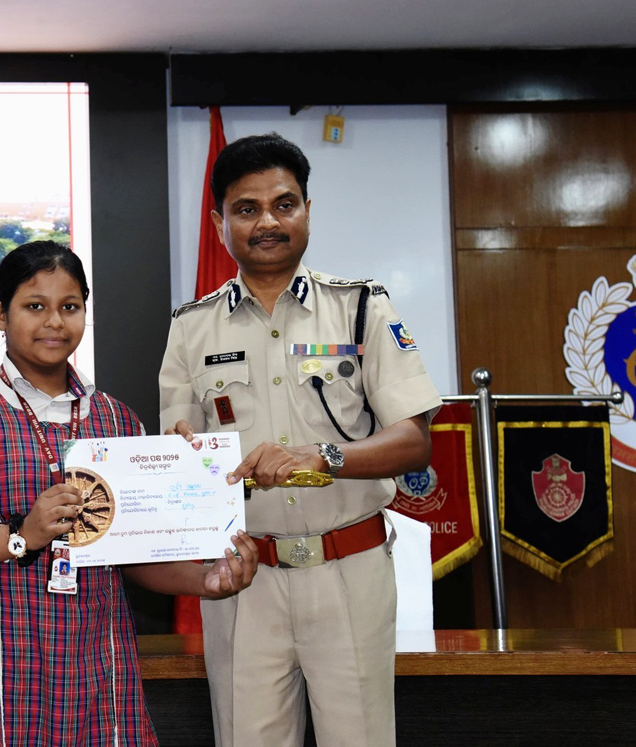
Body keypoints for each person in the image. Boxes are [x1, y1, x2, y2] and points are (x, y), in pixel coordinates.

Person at [0, 240, 258, 747]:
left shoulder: (117, 419)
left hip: (92, 648)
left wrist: (205, 581)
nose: (54, 322)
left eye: (70, 306)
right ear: (1, 314)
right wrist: (22, 535)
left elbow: (132, 555)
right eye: (34, 306)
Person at [159, 133, 442, 747]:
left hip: (350, 570)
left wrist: (323, 456)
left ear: (307, 211)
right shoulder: (190, 329)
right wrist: (180, 462)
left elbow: (413, 441)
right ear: (220, 224)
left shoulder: (361, 308)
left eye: (284, 205)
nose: (268, 222)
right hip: (243, 578)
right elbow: (179, 456)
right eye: (247, 209)